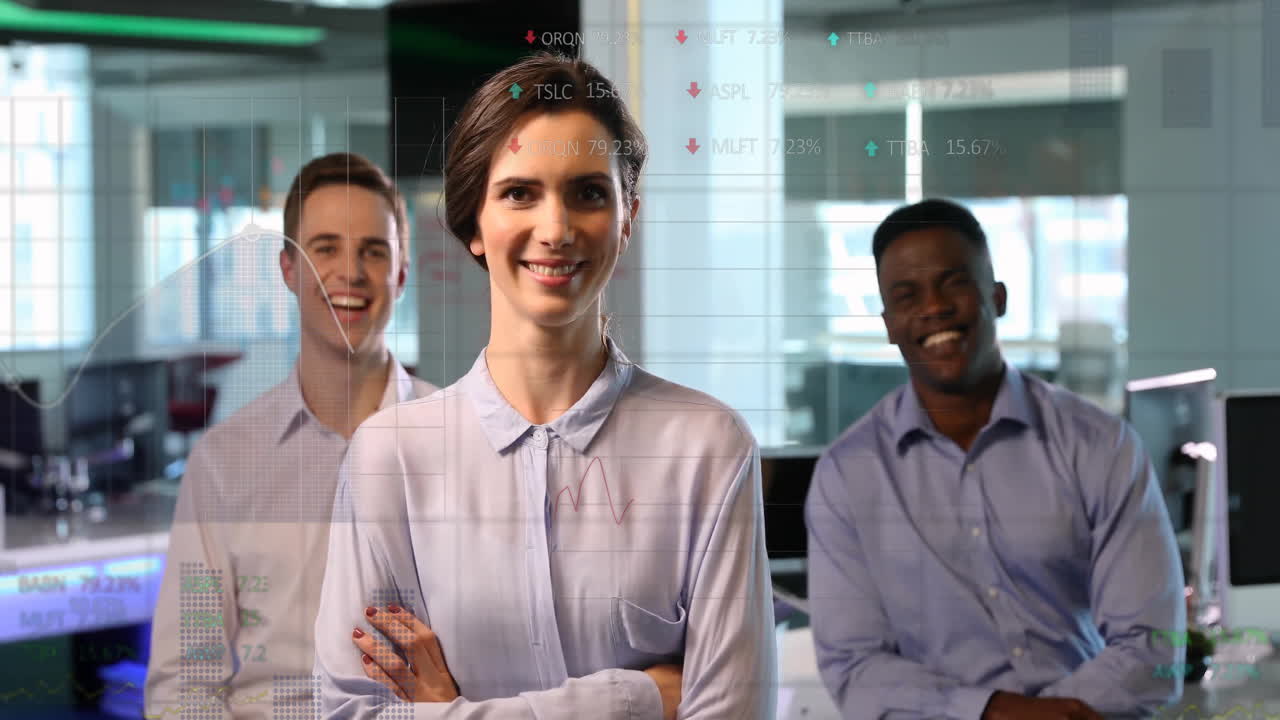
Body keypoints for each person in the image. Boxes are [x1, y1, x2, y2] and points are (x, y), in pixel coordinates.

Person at [313, 53, 777, 720]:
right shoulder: (391, 456)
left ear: (627, 218)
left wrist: (448, 710)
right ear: (472, 221)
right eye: (519, 193)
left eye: (588, 193)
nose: (555, 230)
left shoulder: (707, 447)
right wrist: (635, 698)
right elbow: (349, 712)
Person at [805, 198, 1184, 720]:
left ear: (997, 297)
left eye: (954, 283)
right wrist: (994, 712)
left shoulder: (1100, 445)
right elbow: (856, 668)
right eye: (908, 296)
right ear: (890, 324)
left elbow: (1154, 649)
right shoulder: (848, 475)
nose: (934, 307)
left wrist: (1045, 716)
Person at [145, 152, 437, 719]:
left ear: (401, 274)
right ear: (288, 270)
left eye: (373, 251)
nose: (350, 272)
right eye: (325, 248)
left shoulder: (462, 443)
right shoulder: (223, 462)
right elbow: (186, 680)